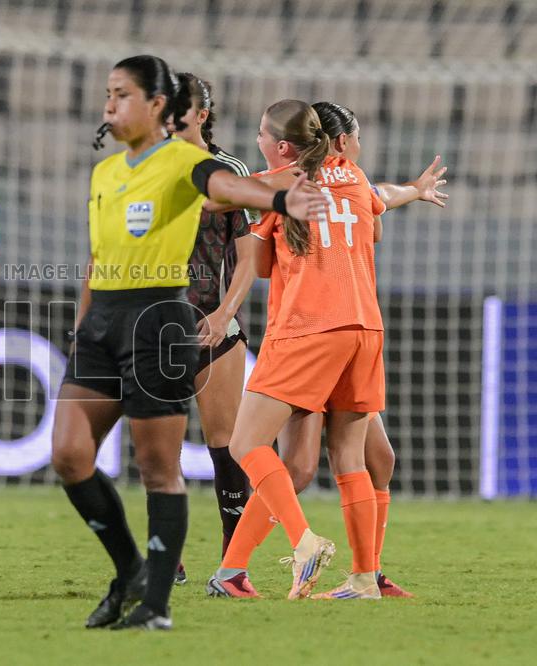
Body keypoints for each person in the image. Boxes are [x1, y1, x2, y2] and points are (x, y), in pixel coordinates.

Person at [51, 57, 327, 630]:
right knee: (72, 453)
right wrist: (83, 322)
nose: (108, 105)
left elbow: (231, 197)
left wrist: (277, 200)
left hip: (181, 321)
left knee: (199, 452)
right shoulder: (105, 174)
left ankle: (205, 574)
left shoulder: (195, 163)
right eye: (107, 94)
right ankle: (138, 568)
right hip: (107, 320)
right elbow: (97, 256)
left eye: (120, 94)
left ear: (162, 106)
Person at [253, 101, 447, 598]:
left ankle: (306, 551)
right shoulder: (355, 180)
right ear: (340, 141)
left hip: (311, 330)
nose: (360, 146)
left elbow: (254, 263)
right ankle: (365, 576)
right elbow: (382, 199)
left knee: (269, 450)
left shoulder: (279, 185)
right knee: (364, 457)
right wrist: (416, 191)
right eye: (357, 137)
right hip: (364, 330)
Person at [166, 73, 257, 584]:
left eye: (182, 113)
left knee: (226, 446)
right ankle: (168, 553)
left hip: (211, 326)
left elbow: (248, 257)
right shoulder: (145, 170)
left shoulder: (229, 171)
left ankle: (232, 562)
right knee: (162, 449)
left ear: (202, 115)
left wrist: (224, 314)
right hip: (154, 325)